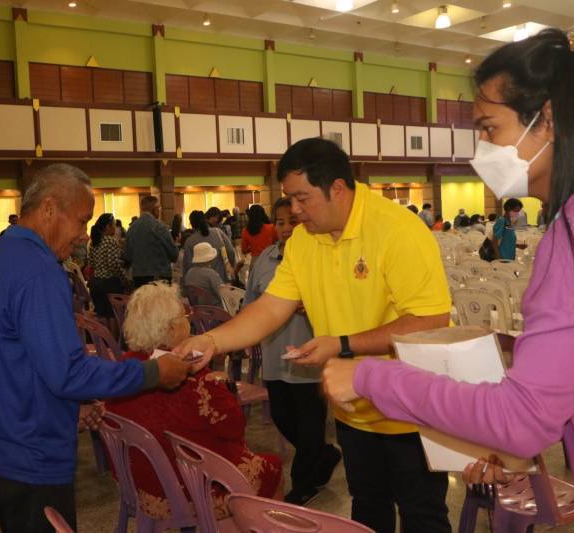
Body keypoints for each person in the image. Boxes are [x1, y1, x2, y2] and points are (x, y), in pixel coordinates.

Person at [322, 28, 574, 532]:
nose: (482, 147)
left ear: (548, 119)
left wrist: (370, 377)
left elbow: (523, 418)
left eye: (490, 128)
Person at [176, 138, 452, 532]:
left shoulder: (396, 229)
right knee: (368, 507)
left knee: (423, 517)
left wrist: (342, 345)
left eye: (302, 198)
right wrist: (212, 340)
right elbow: (271, 307)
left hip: (412, 409)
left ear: (337, 188)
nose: (294, 210)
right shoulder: (305, 238)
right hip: (355, 406)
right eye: (290, 199)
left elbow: (429, 321)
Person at [0, 164, 189, 532]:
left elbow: (15, 356)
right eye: (82, 221)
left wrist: (64, 411)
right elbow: (68, 372)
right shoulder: (39, 270)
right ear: (49, 208)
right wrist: (153, 372)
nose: (84, 236)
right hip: (29, 454)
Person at [107, 282, 282, 518]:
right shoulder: (191, 376)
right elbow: (234, 427)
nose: (189, 322)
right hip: (191, 492)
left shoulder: (121, 370)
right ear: (170, 328)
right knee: (272, 467)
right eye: (185, 316)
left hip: (140, 487)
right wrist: (224, 386)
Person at [244, 197, 339, 505]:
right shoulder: (265, 259)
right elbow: (252, 301)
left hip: (310, 355)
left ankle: (304, 484)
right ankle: (324, 454)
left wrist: (310, 306)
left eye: (293, 222)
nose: (286, 228)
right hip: (275, 355)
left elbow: (338, 303)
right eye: (281, 222)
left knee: (310, 423)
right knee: (283, 417)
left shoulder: (322, 256)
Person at [123, 195, 178, 288]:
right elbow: (174, 254)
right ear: (154, 209)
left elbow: (128, 256)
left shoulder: (131, 228)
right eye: (159, 208)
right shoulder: (159, 226)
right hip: (159, 277)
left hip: (138, 277)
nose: (160, 211)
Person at [87, 214, 125, 338]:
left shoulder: (93, 242)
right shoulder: (110, 241)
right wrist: (124, 279)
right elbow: (114, 264)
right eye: (113, 225)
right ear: (107, 227)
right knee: (113, 314)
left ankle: (104, 341)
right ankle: (113, 340)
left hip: (96, 283)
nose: (115, 228)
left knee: (101, 314)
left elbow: (91, 264)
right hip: (110, 283)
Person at [182, 211, 237, 284]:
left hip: (201, 283)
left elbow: (188, 266)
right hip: (221, 279)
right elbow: (231, 252)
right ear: (205, 220)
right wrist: (232, 268)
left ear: (192, 225)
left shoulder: (189, 241)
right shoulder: (218, 232)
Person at [182, 242, 223, 307]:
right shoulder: (211, 274)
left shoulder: (189, 272)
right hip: (214, 309)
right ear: (210, 259)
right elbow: (222, 295)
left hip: (197, 309)